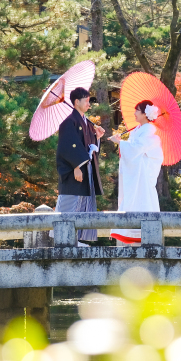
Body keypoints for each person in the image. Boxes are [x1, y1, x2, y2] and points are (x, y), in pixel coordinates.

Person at [108, 99, 164, 244]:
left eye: (137, 110)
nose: (134, 113)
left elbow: (136, 149)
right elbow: (133, 149)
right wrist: (122, 142)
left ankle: (142, 232)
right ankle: (129, 232)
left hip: (142, 175)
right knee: (132, 198)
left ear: (145, 114)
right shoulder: (139, 131)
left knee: (143, 200)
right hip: (135, 174)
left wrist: (120, 143)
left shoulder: (148, 133)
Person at [55, 87, 105, 243]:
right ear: (77, 102)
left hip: (86, 170)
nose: (89, 104)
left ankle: (78, 240)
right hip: (75, 171)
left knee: (83, 204)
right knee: (71, 203)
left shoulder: (86, 123)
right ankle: (64, 238)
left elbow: (90, 148)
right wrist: (76, 166)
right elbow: (67, 146)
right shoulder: (69, 122)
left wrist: (97, 138)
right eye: (87, 101)